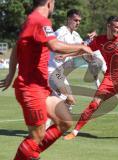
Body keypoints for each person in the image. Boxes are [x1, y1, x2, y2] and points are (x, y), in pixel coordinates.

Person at [0, 0, 92, 159]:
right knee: (37, 136)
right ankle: (29, 152)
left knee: (65, 121)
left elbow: (16, 47)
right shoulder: (40, 21)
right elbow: (54, 46)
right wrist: (81, 47)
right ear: (50, 3)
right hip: (31, 88)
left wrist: (11, 73)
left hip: (40, 86)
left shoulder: (31, 20)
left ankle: (31, 153)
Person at [64, 16, 118, 140]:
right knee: (94, 105)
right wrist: (66, 55)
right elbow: (84, 50)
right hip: (109, 79)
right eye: (116, 27)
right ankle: (75, 132)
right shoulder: (100, 40)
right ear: (108, 26)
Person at [46, 9, 106, 128]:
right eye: (75, 20)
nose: (77, 23)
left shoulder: (75, 35)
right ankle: (52, 125)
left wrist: (90, 40)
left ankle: (49, 127)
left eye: (79, 21)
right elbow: (54, 47)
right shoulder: (60, 32)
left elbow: (81, 48)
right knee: (69, 100)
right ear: (68, 19)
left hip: (60, 73)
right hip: (52, 71)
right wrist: (67, 52)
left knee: (66, 101)